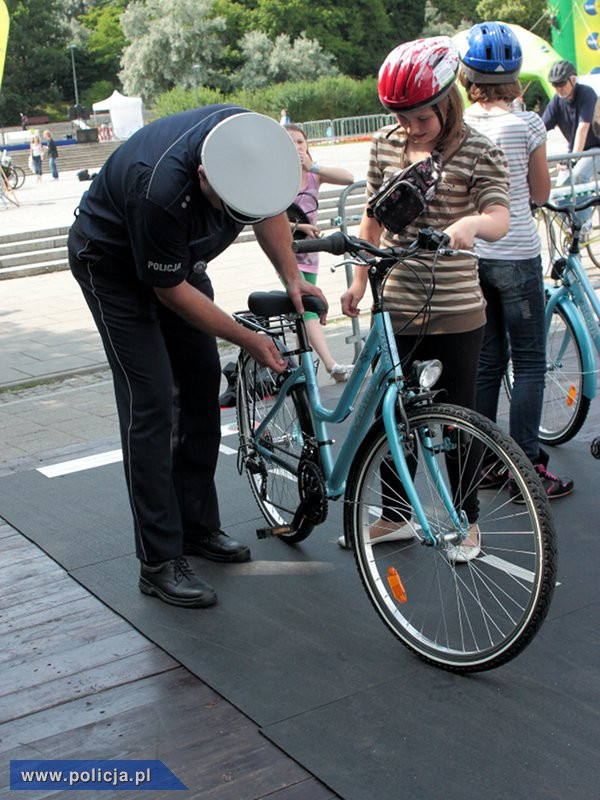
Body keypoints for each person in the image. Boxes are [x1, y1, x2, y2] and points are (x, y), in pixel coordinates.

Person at [67, 106, 328, 608]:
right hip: (112, 265)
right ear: (204, 172)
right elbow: (169, 293)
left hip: (180, 260)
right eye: (226, 207)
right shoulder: (160, 187)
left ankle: (196, 527)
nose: (233, 218)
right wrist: (247, 339)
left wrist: (293, 277)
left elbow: (270, 207)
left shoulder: (255, 145)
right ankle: (159, 560)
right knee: (154, 401)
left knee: (203, 381)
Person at [339, 36, 511, 560]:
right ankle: (396, 516)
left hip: (457, 311)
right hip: (395, 304)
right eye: (403, 118)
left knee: (460, 423)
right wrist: (358, 280)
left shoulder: (479, 148)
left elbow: (501, 218)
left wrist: (471, 224)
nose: (410, 128)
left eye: (421, 118)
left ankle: (467, 521)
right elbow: (373, 213)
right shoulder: (385, 145)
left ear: (447, 101)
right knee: (394, 416)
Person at [459, 21, 574, 501]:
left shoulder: (461, 127)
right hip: (517, 252)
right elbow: (542, 192)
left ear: (469, 77)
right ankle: (526, 465)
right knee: (529, 362)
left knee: (487, 361)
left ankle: (484, 460)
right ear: (513, 75)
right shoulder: (526, 123)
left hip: (474, 254)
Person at [285, 123, 355, 381]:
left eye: (300, 142)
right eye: (290, 142)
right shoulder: (278, 177)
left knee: (302, 310)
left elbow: (348, 178)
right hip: (289, 250)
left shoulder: (313, 175)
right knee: (308, 308)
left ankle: (302, 366)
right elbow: (269, 219)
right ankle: (330, 365)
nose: (296, 147)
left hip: (312, 251)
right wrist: (300, 226)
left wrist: (311, 166)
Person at [542, 59, 600, 227]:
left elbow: (583, 128)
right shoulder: (556, 101)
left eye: (561, 84)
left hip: (595, 149)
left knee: (578, 176)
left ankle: (584, 222)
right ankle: (572, 229)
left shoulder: (586, 93)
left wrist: (572, 160)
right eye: (554, 85)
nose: (558, 88)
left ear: (573, 80)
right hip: (574, 152)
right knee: (558, 194)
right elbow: (540, 127)